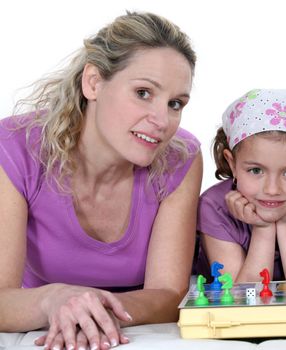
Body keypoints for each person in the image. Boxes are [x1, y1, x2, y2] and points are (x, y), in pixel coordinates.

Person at [0, 11, 203, 350]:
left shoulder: (180, 158)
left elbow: (169, 294)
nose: (162, 120)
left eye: (175, 104)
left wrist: (97, 309)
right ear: (93, 82)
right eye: (143, 92)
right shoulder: (14, 148)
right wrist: (55, 301)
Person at [195, 89, 286, 283]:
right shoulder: (215, 206)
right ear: (232, 163)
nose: (272, 190)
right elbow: (242, 299)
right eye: (256, 171)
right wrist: (262, 230)